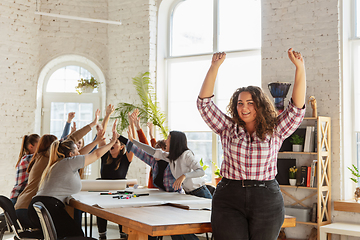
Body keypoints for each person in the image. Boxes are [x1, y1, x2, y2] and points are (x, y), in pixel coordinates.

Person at [196, 49, 306, 240]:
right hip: (230, 196)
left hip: (266, 198)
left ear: (260, 105)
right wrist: (214, 67)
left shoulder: (275, 129)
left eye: (250, 103)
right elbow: (204, 105)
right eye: (240, 103)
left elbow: (296, 109)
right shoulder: (227, 128)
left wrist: (300, 68)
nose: (244, 107)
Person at [27, 112, 118, 239]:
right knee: (77, 236)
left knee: (73, 235)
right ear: (70, 154)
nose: (79, 152)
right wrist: (112, 141)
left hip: (39, 207)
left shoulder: (59, 163)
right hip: (49, 208)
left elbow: (83, 153)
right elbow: (96, 154)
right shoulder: (67, 163)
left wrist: (97, 140)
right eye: (76, 151)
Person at [15, 111, 100, 228]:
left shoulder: (41, 158)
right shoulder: (48, 157)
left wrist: (96, 140)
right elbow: (72, 139)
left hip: (22, 208)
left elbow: (78, 156)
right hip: (31, 210)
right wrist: (92, 124)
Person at [96, 107, 134, 240]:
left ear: (121, 146)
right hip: (104, 193)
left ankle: (123, 235)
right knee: (101, 213)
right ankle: (102, 236)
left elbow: (133, 143)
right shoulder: (105, 155)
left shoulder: (126, 158)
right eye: (111, 141)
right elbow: (102, 134)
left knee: (121, 214)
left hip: (120, 194)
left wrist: (120, 134)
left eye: (115, 142)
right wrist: (107, 115)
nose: (112, 143)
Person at [10, 134, 40, 205]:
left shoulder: (27, 158)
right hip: (18, 198)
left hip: (18, 197)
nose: (41, 148)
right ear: (31, 147)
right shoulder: (28, 159)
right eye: (39, 145)